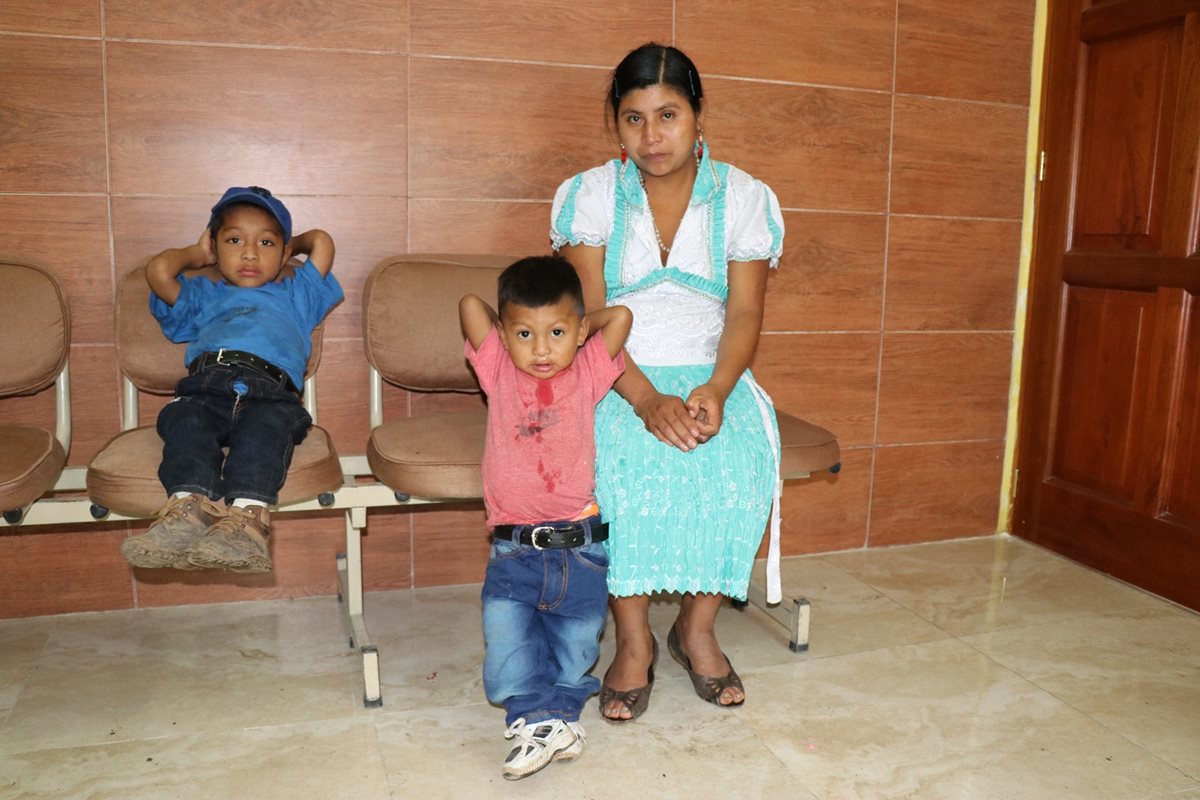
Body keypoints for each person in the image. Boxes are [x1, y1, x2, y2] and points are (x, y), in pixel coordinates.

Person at [551, 43, 785, 722]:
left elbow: (745, 313)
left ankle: (696, 629)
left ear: (698, 115)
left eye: (668, 115)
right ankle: (634, 641)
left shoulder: (744, 197)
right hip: (612, 370)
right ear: (615, 124)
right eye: (634, 119)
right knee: (617, 470)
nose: (651, 136)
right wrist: (647, 399)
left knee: (736, 461)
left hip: (713, 369)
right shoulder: (592, 196)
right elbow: (589, 317)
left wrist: (718, 388)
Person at [460, 256, 631, 780]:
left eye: (555, 333)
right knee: (508, 644)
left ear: (578, 332)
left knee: (575, 646)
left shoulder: (588, 371)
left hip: (581, 547)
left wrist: (580, 327)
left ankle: (556, 721)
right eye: (524, 334)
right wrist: (514, 327)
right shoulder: (498, 371)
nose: (540, 349)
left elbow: (620, 317)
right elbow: (470, 306)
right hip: (513, 548)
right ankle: (536, 720)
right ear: (504, 336)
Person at [120, 186, 343, 574]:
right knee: (186, 422)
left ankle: (246, 523)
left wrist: (291, 245)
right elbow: (158, 271)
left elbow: (321, 241)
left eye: (266, 242)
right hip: (206, 386)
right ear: (215, 246)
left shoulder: (297, 295)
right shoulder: (204, 295)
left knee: (264, 435)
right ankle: (187, 510)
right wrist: (197, 254)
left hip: (271, 393)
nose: (250, 253)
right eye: (234, 240)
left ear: (284, 253)